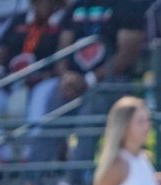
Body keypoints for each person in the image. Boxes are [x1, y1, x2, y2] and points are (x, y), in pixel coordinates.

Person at [48, 0, 147, 173]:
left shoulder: (128, 5)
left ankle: (75, 182)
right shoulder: (76, 6)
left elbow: (128, 52)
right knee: (52, 107)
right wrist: (66, 77)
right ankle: (32, 183)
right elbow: (62, 47)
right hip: (74, 83)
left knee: (89, 115)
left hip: (112, 82)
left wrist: (90, 79)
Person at [0, 0, 66, 162]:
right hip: (13, 80)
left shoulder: (62, 22)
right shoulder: (19, 19)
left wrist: (48, 74)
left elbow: (64, 53)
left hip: (44, 80)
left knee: (39, 105)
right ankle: (6, 156)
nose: (40, 5)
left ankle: (31, 157)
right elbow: (2, 47)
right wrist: (0, 70)